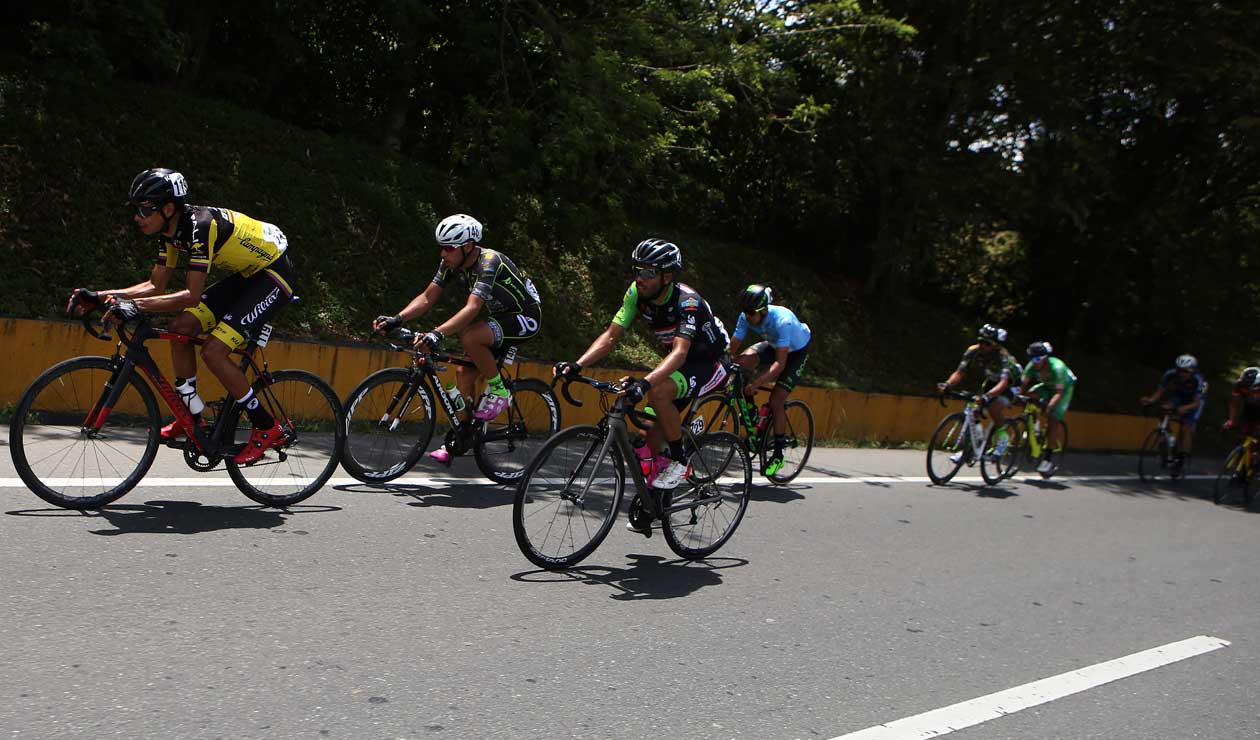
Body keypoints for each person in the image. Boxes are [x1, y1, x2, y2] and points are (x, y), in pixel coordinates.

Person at [67, 168, 296, 465]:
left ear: (168, 208)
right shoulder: (170, 232)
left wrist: (137, 307)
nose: (137, 216)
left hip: (273, 276)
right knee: (182, 327)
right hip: (247, 275)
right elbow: (154, 285)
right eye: (136, 209)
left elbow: (191, 295)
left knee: (214, 351)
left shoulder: (200, 227)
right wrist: (99, 297)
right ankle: (192, 416)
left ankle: (267, 426)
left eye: (144, 209)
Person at [554, 239, 729, 525]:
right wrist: (578, 364)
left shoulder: (688, 303)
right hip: (678, 363)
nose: (639, 278)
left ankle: (680, 461)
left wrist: (645, 384)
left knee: (658, 393)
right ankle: (655, 500)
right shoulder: (637, 293)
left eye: (648, 272)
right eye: (637, 270)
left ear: (667, 276)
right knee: (649, 433)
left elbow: (681, 352)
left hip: (709, 362)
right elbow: (611, 336)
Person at [371, 214, 542, 463]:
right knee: (463, 374)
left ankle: (499, 391)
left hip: (525, 317)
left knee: (470, 336)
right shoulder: (453, 262)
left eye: (449, 248)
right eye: (441, 247)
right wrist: (398, 318)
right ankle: (464, 435)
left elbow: (472, 308)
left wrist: (437, 333)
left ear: (468, 246)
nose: (443, 253)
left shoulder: (489, 262)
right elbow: (428, 297)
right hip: (500, 318)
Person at [727, 284, 811, 475]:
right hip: (774, 345)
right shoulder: (747, 316)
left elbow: (780, 365)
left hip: (795, 353)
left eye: (751, 312)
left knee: (776, 400)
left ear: (763, 311)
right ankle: (751, 412)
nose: (747, 316)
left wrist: (756, 384)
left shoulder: (783, 321)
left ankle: (779, 454)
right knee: (740, 365)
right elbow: (732, 349)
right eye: (745, 312)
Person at [937, 323, 1023, 461]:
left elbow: (1003, 383)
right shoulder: (973, 350)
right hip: (992, 381)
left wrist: (987, 397)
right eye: (980, 341)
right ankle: (970, 450)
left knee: (994, 408)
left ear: (995, 345)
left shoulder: (1002, 355)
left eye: (987, 343)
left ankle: (1003, 437)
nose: (982, 345)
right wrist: (947, 385)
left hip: (1011, 384)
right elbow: (960, 372)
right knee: (973, 412)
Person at [1139, 354, 1207, 473]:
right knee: (1163, 408)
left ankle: (1181, 457)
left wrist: (1185, 408)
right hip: (1179, 397)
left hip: (1194, 402)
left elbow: (1196, 403)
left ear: (1193, 371)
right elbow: (1159, 393)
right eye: (1179, 370)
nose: (1182, 373)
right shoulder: (1170, 374)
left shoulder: (1199, 381)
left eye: (1186, 371)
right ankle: (1167, 434)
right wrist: (1150, 400)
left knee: (1185, 428)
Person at [1021, 341, 1077, 474]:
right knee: (1029, 395)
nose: (1033, 362)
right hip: (1047, 386)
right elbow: (1022, 386)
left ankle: (1048, 458)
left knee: (1052, 418)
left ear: (1045, 359)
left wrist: (1050, 406)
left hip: (1063, 390)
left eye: (1036, 359)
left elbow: (1058, 393)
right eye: (1031, 358)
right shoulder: (1032, 365)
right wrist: (1016, 395)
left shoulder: (1057, 368)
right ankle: (1034, 427)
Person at [1223, 366, 1260, 444]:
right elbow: (1234, 404)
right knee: (1242, 435)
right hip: (1249, 410)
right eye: (1246, 385)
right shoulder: (1239, 385)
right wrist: (1232, 421)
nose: (1249, 389)